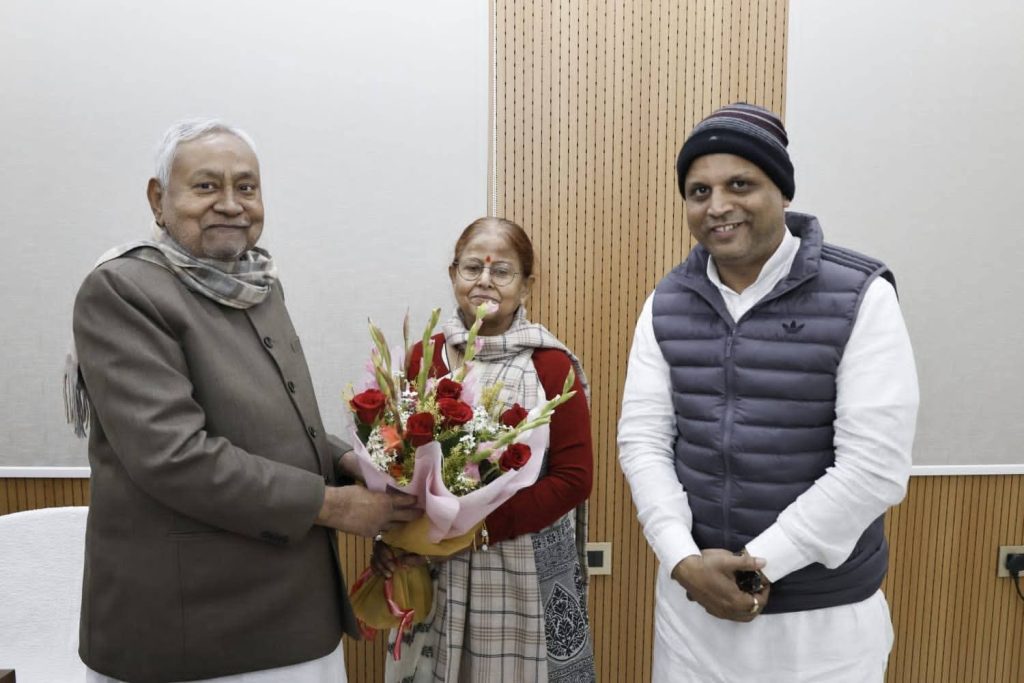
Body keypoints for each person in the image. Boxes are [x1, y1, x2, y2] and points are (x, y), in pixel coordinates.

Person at [68, 119, 420, 683]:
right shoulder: (124, 290)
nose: (231, 204)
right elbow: (175, 457)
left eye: (246, 187)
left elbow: (271, 421)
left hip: (296, 613)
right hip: (194, 631)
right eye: (206, 186)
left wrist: (346, 460)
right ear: (158, 199)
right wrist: (335, 506)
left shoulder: (258, 283)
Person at [617, 103, 919, 682]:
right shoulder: (666, 302)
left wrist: (759, 566)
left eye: (740, 184)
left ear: (781, 191)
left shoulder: (861, 295)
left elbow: (874, 467)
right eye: (699, 191)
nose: (718, 205)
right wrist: (681, 558)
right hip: (691, 613)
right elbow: (644, 441)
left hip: (822, 622)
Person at [373, 217, 596, 682]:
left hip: (522, 567)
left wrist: (476, 531)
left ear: (527, 284)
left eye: (502, 271)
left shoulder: (551, 365)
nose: (485, 281)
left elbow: (574, 479)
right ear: (453, 274)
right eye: (473, 268)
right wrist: (393, 536)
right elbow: (393, 457)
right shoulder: (424, 358)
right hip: (433, 564)